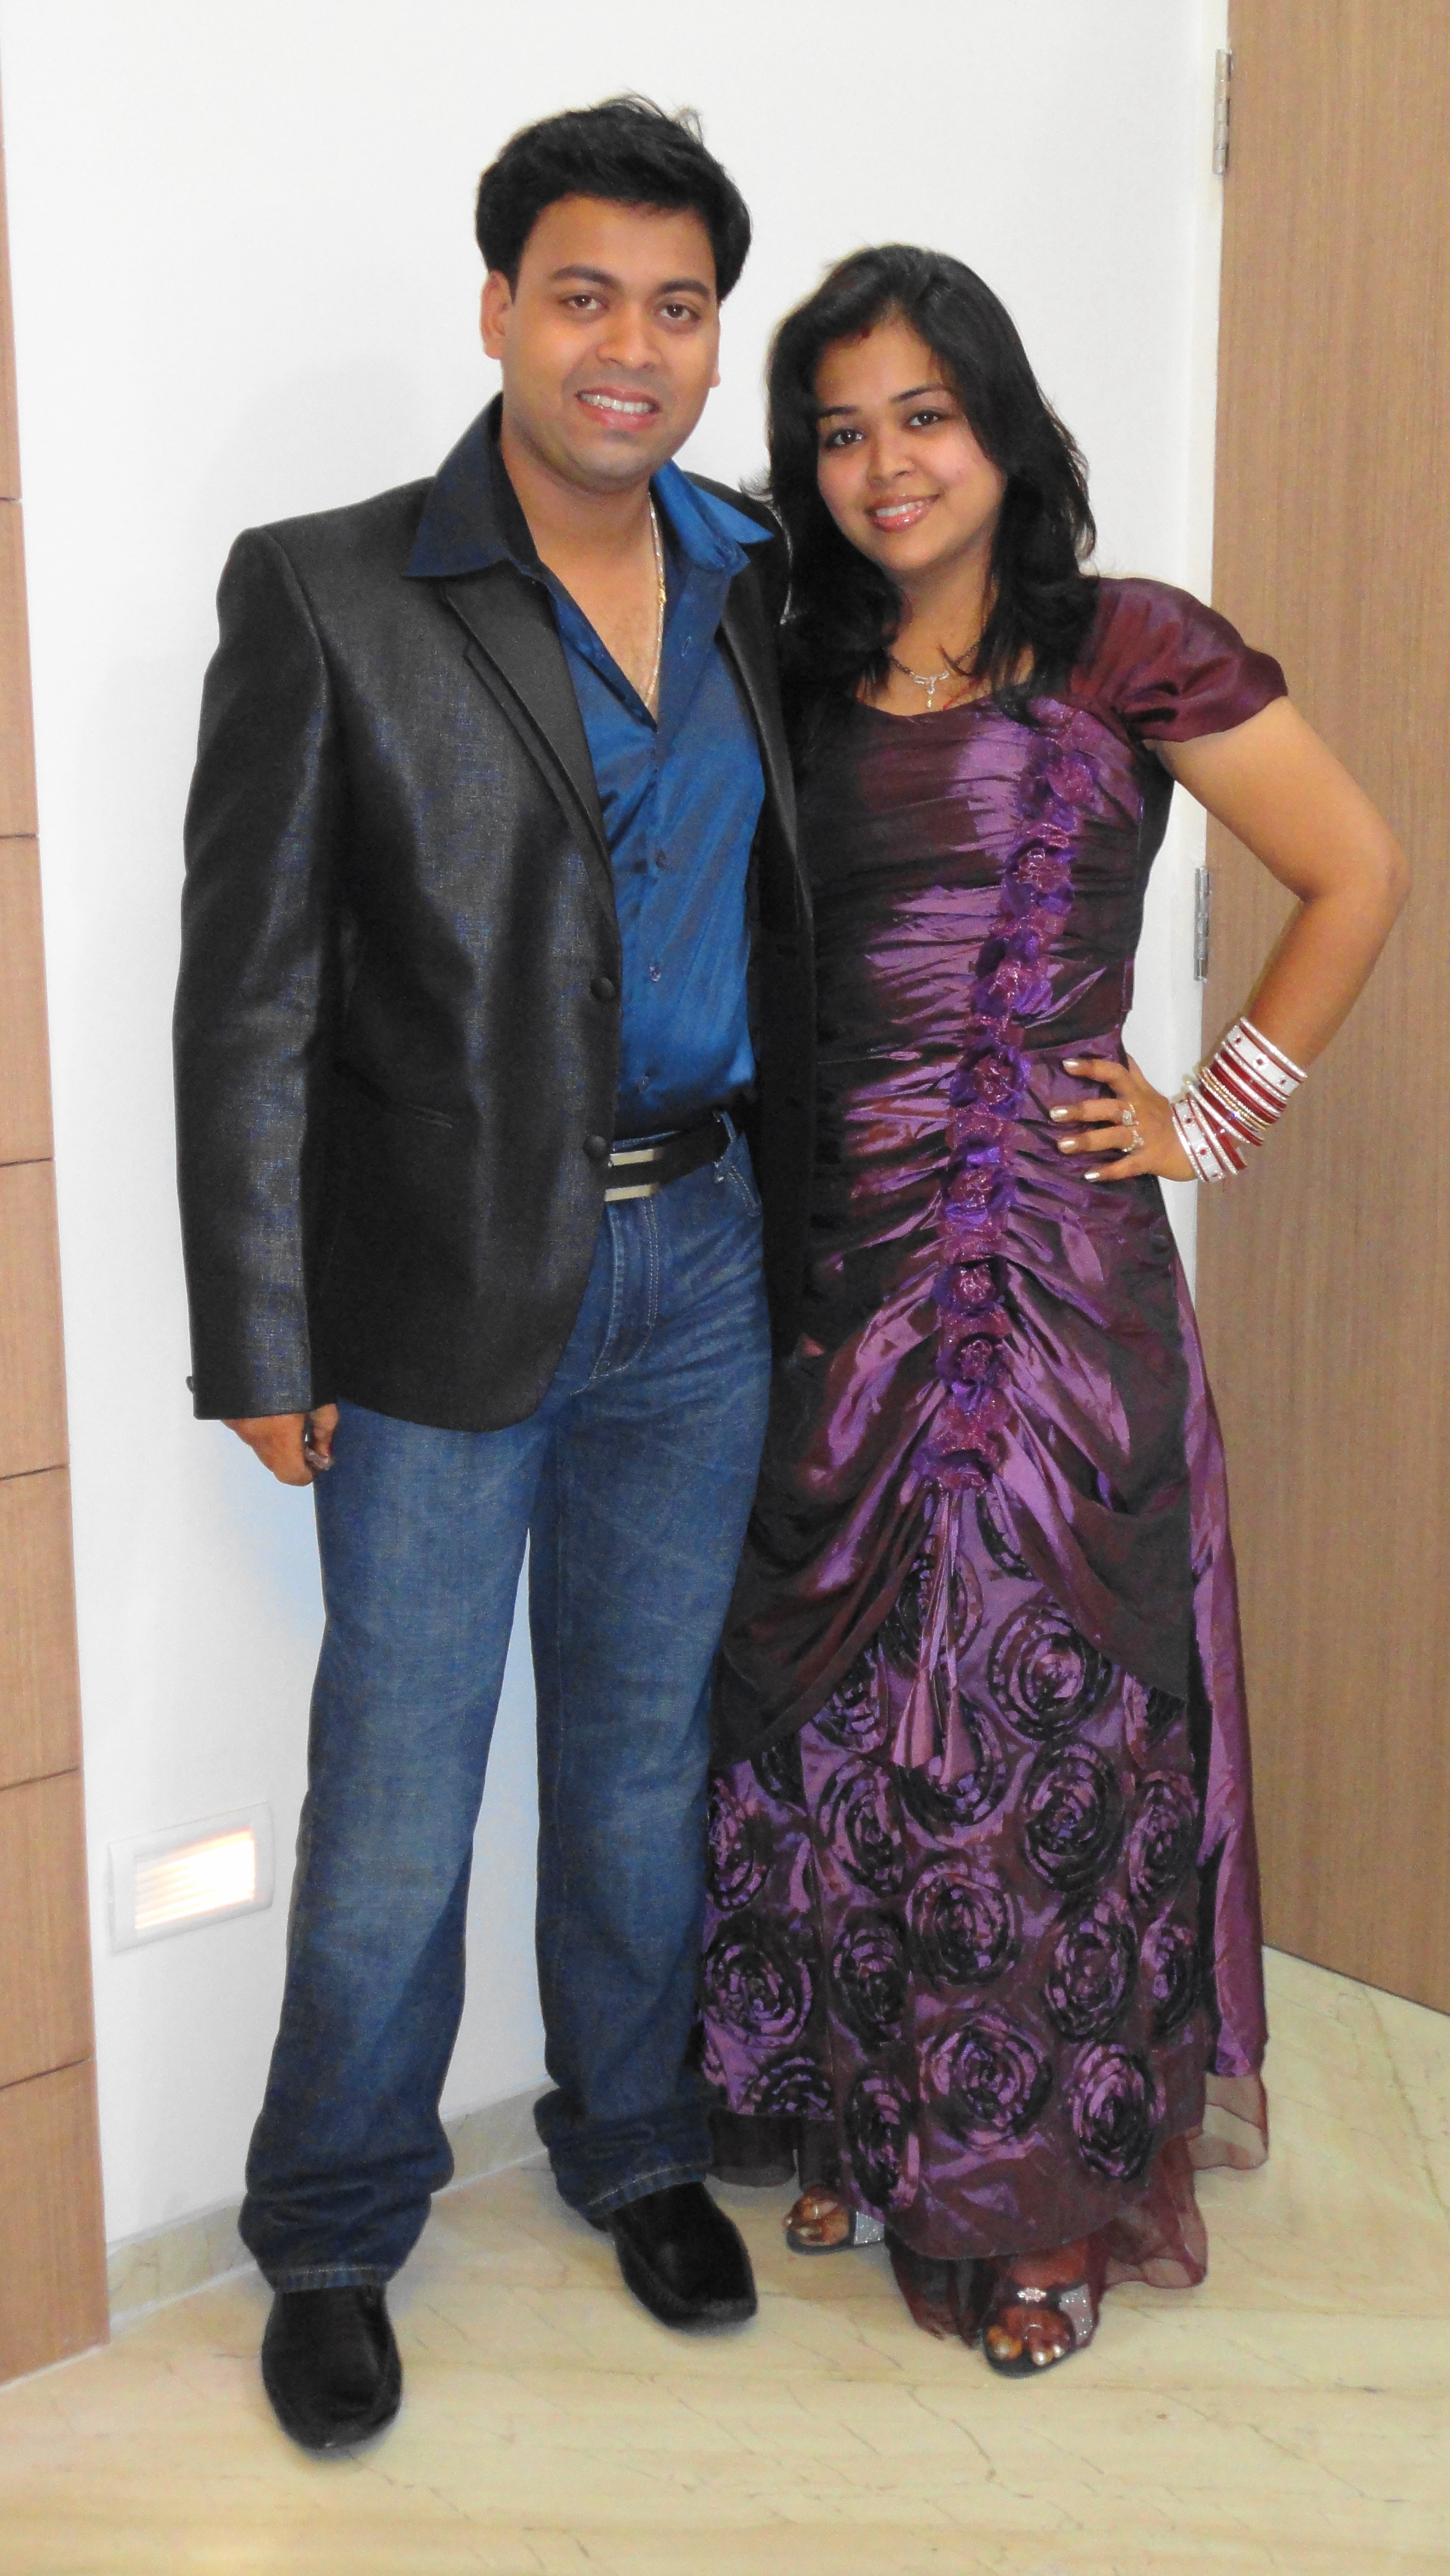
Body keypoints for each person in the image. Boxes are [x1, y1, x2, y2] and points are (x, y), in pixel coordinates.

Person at [173, 98, 813, 2452]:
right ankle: (337, 2226)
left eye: (675, 306)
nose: (628, 347)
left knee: (642, 1764)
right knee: (397, 1798)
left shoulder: (761, 580)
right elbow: (247, 998)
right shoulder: (330, 590)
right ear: (498, 311)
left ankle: (634, 2143)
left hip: (705, 1259)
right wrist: (259, 1330)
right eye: (582, 295)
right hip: (437, 1286)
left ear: (713, 338)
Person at [702, 244, 1408, 2373]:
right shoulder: (786, 673)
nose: (886, 466)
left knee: (1038, 1720)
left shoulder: (1126, 647)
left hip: (1049, 1279)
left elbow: (1359, 869)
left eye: (924, 415)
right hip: (834, 1270)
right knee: (839, 1714)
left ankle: (1045, 2189)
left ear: (1002, 424)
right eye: (841, 432)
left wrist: (1212, 1115)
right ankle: (870, 2108)